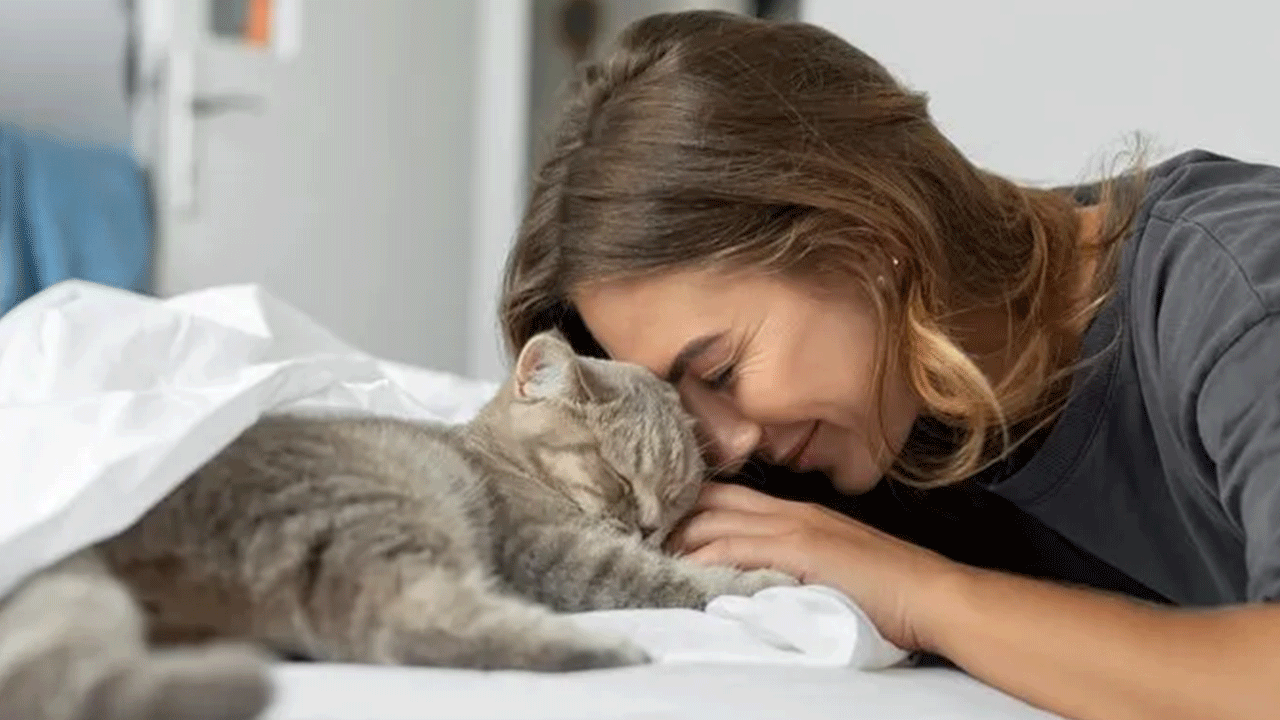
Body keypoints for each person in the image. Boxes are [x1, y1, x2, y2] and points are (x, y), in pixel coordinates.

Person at [500, 10, 1280, 720]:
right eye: (680, 405)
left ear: (866, 232)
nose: (726, 443)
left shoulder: (1237, 291)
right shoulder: (848, 441)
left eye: (724, 371)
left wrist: (925, 596)